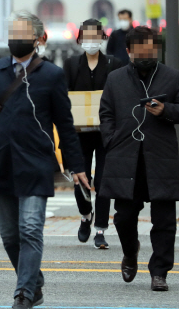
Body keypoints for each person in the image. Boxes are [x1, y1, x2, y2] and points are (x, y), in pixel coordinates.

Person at [0, 12, 89, 309]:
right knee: (9, 235)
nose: (14, 37)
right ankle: (33, 280)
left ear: (36, 38)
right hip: (0, 163)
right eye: (12, 31)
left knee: (30, 228)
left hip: (37, 164)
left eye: (21, 32)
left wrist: (78, 166)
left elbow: (65, 126)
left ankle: (24, 294)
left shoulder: (52, 75)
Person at [99, 26, 179, 292]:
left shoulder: (172, 77)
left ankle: (160, 272)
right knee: (123, 218)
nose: (147, 54)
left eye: (152, 49)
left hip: (160, 158)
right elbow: (106, 114)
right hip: (126, 159)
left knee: (164, 221)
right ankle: (130, 253)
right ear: (129, 51)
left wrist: (167, 110)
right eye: (140, 49)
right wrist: (112, 139)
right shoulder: (115, 79)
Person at [64, 19, 123, 250]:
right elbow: (63, 96)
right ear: (79, 39)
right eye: (86, 36)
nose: (91, 41)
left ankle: (100, 229)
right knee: (81, 177)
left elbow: (120, 94)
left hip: (107, 130)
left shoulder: (114, 64)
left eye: (95, 36)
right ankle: (86, 215)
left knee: (104, 180)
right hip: (79, 132)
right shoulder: (71, 65)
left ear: (102, 38)